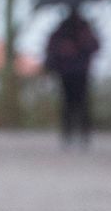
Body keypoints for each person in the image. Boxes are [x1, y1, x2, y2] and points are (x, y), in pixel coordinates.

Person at [42, 9, 101, 150]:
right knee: (71, 104)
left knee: (79, 104)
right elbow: (52, 50)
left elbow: (94, 46)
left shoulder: (83, 29)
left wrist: (80, 45)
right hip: (69, 72)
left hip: (79, 71)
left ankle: (81, 134)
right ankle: (70, 134)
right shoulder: (63, 30)